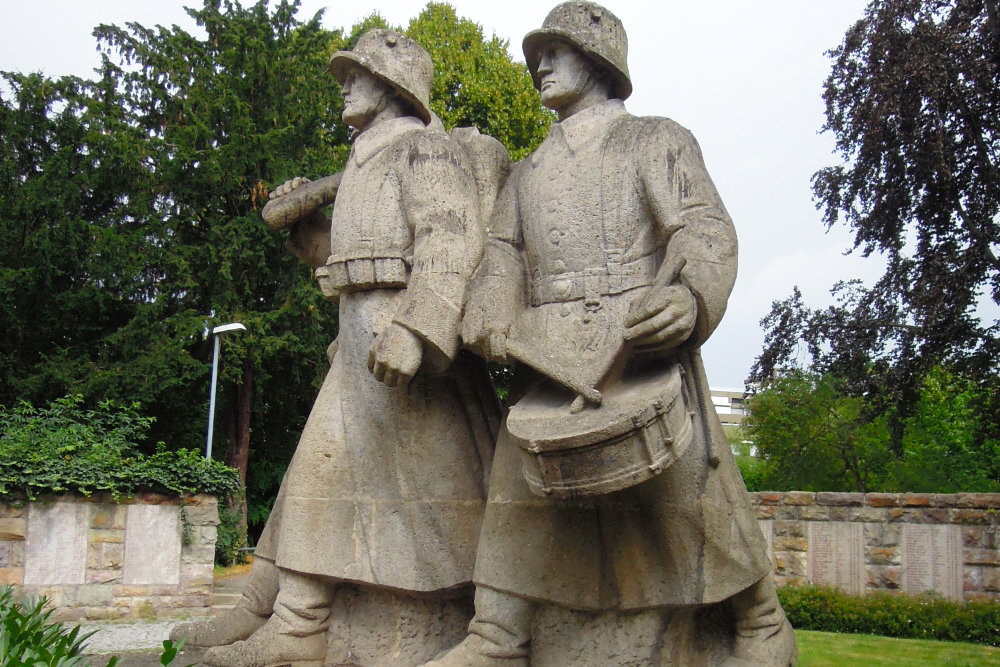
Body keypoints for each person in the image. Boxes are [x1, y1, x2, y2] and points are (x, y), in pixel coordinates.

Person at [428, 3, 797, 665]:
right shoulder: (529, 170)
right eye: (538, 52)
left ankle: (761, 621)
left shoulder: (656, 138)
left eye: (557, 50)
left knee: (689, 489)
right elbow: (503, 254)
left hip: (638, 342)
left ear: (599, 61)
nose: (540, 63)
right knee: (518, 493)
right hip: (547, 351)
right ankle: (496, 634)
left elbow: (702, 229)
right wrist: (488, 307)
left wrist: (689, 297)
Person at [171, 29, 502, 666]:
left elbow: (448, 243)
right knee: (317, 477)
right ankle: (288, 620)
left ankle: (314, 626)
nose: (345, 83)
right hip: (354, 337)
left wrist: (414, 327)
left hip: (403, 344)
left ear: (397, 86)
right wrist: (310, 236)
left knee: (428, 497)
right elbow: (349, 260)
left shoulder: (426, 155)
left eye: (360, 72)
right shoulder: (361, 164)